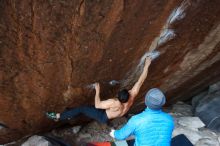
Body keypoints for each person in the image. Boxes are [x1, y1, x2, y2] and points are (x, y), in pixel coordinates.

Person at [46, 56, 152, 123]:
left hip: (102, 116)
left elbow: (97, 105)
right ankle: (69, 114)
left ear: (118, 97)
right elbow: (140, 81)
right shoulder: (132, 96)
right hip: (111, 114)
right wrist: (146, 66)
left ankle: (58, 116)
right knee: (88, 108)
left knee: (82, 108)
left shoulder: (114, 102)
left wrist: (97, 91)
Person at [110, 88, 174, 146]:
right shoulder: (169, 119)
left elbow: (121, 136)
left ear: (146, 101)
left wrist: (113, 133)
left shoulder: (136, 120)